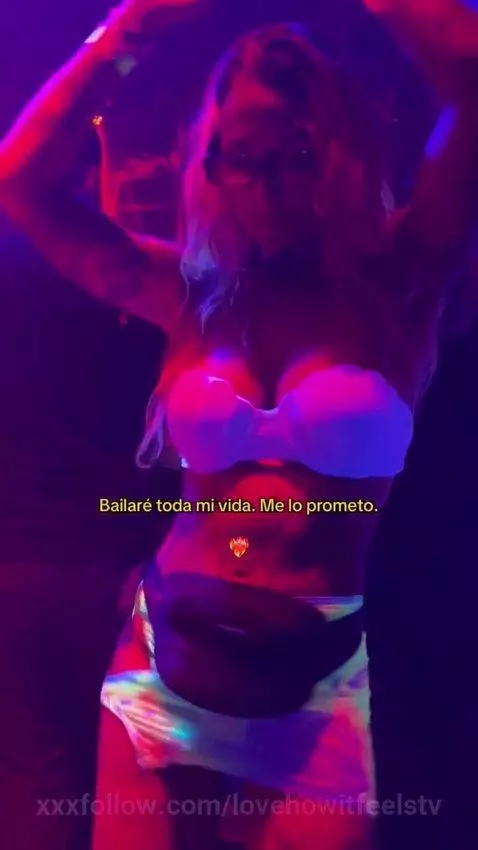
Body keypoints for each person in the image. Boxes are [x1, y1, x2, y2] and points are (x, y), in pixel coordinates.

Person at [0, 0, 477, 847]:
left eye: (293, 153)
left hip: (316, 683)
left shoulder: (400, 283)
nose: (264, 183)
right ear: (210, 163)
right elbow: (20, 182)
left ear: (336, 150)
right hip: (163, 669)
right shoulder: (195, 296)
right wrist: (134, 24)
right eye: (239, 156)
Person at [0, 133, 166, 850]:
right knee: (129, 792)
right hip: (112, 565)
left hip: (18, 557)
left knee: (34, 783)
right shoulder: (134, 282)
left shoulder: (14, 267)